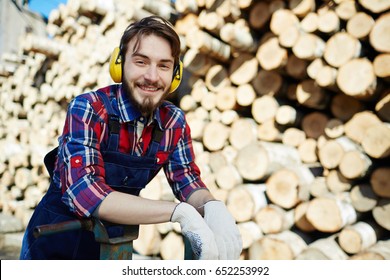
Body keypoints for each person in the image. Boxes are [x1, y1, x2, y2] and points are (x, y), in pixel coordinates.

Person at [20, 16, 242, 260]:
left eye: (164, 66)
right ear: (120, 64)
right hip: (55, 244)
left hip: (113, 245)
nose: (152, 76)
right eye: (141, 61)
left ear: (175, 75)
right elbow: (87, 193)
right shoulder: (89, 108)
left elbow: (187, 182)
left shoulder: (173, 122)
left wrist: (211, 206)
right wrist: (180, 212)